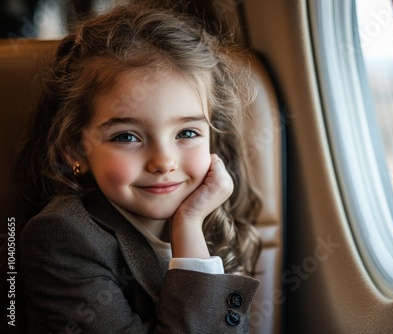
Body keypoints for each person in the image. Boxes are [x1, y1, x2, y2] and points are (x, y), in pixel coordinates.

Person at [17, 3, 262, 333]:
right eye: (127, 136)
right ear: (75, 150)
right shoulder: (62, 239)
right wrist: (188, 226)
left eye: (187, 133)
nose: (163, 162)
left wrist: (192, 223)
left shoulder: (215, 217)